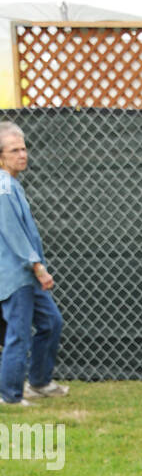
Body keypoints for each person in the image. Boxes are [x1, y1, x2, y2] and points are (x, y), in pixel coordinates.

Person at [0, 122, 68, 405]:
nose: (22, 155)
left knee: (51, 322)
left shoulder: (12, 185)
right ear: (1, 156)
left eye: (24, 148)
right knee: (18, 336)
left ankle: (38, 382)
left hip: (27, 276)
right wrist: (38, 267)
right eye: (14, 150)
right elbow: (12, 233)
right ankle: (10, 396)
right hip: (16, 276)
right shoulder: (3, 189)